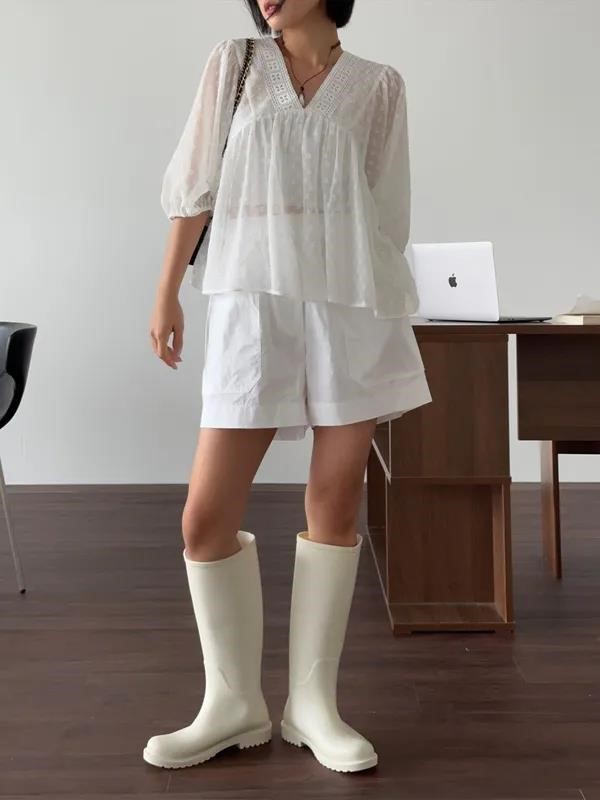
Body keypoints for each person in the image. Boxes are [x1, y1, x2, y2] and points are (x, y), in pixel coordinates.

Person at [145, 0, 432, 774]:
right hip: (252, 302)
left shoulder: (379, 86)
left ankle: (313, 707)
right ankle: (232, 705)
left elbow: (386, 215)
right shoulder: (234, 64)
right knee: (204, 520)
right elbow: (196, 187)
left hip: (347, 307)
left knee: (333, 506)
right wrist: (166, 292)